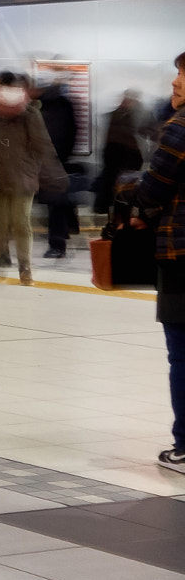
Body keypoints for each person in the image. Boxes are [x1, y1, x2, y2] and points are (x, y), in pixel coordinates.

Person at [117, 54, 185, 473]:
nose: (176, 82)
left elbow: (152, 190)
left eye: (183, 74)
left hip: (182, 257)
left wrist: (130, 191)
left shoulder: (180, 128)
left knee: (182, 353)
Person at [0, 71, 62, 286]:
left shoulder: (30, 114)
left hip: (22, 177)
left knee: (21, 223)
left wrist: (53, 174)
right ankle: (0, 255)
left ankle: (25, 268)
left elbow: (43, 146)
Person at [35, 78, 80, 259]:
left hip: (50, 163)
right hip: (57, 160)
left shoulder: (43, 107)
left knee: (55, 203)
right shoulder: (64, 104)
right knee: (57, 203)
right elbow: (73, 131)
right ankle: (66, 230)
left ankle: (57, 243)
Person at [96, 90, 148, 221]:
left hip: (119, 157)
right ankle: (117, 218)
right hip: (122, 157)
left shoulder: (121, 115)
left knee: (117, 190)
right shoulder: (128, 116)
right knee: (119, 191)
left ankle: (115, 218)